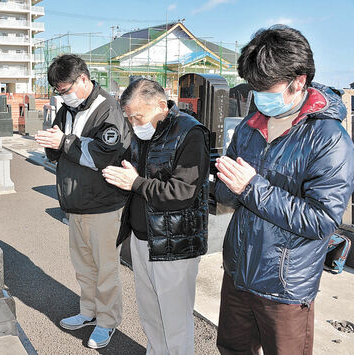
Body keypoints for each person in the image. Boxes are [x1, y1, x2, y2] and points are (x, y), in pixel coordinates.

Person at [215, 25, 354, 355]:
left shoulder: (329, 139)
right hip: (237, 272)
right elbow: (225, 195)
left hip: (285, 287)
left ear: (299, 82)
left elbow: (321, 220)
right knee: (231, 349)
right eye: (255, 88)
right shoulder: (251, 125)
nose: (260, 96)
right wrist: (226, 183)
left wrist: (250, 188)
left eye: (268, 88)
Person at [102, 79, 210, 354]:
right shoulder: (141, 133)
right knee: (150, 311)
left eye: (138, 116)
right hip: (142, 236)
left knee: (175, 318)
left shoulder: (190, 133)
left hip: (174, 242)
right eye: (130, 117)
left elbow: (183, 191)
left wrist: (135, 183)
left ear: (162, 105)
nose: (134, 123)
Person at [34, 54, 131, 349]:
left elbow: (103, 155)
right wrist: (54, 144)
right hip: (75, 202)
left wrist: (63, 142)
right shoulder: (67, 109)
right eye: (58, 91)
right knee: (84, 267)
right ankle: (88, 312)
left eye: (65, 89)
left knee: (105, 269)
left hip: (103, 203)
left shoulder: (108, 110)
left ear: (83, 80)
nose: (62, 96)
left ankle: (108, 321)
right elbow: (60, 143)